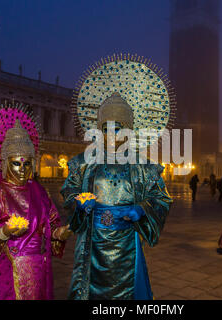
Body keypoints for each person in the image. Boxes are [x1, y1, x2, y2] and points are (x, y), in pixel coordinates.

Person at [61, 92, 173, 300]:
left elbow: (161, 198)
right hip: (91, 244)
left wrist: (141, 209)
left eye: (117, 129)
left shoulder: (143, 166)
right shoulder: (83, 163)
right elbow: (70, 190)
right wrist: (79, 203)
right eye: (106, 129)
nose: (111, 135)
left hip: (126, 245)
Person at [0, 107, 71, 300]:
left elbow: (50, 224)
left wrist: (59, 233)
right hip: (5, 269)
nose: (22, 169)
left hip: (39, 269)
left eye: (27, 163)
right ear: (5, 162)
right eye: (16, 163)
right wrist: (4, 233)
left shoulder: (39, 191)